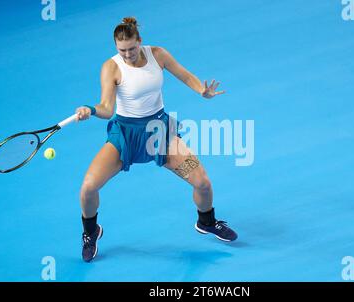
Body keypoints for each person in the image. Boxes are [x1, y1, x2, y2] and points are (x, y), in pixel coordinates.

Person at [75, 17, 237, 262]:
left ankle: (207, 221)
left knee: (202, 182)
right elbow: (107, 107)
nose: (128, 54)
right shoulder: (111, 67)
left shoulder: (158, 54)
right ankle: (91, 232)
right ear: (116, 48)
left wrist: (201, 91)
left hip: (159, 132)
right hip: (125, 135)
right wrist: (91, 109)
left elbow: (184, 75)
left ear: (139, 41)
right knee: (88, 188)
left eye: (131, 48)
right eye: (122, 50)